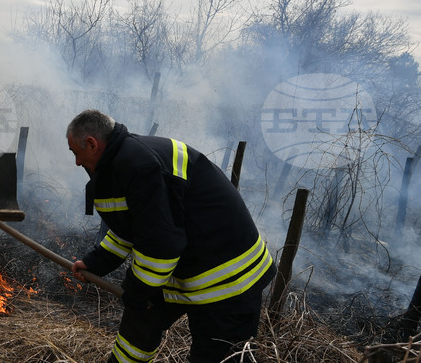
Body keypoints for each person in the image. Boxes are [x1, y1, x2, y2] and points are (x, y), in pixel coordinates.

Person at [66, 109, 274, 363]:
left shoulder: (139, 165)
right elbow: (131, 229)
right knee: (136, 332)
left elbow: (161, 244)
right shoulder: (119, 165)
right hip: (183, 264)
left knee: (218, 356)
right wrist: (95, 262)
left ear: (91, 144)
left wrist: (137, 289)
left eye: (76, 153)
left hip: (228, 279)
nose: (76, 162)